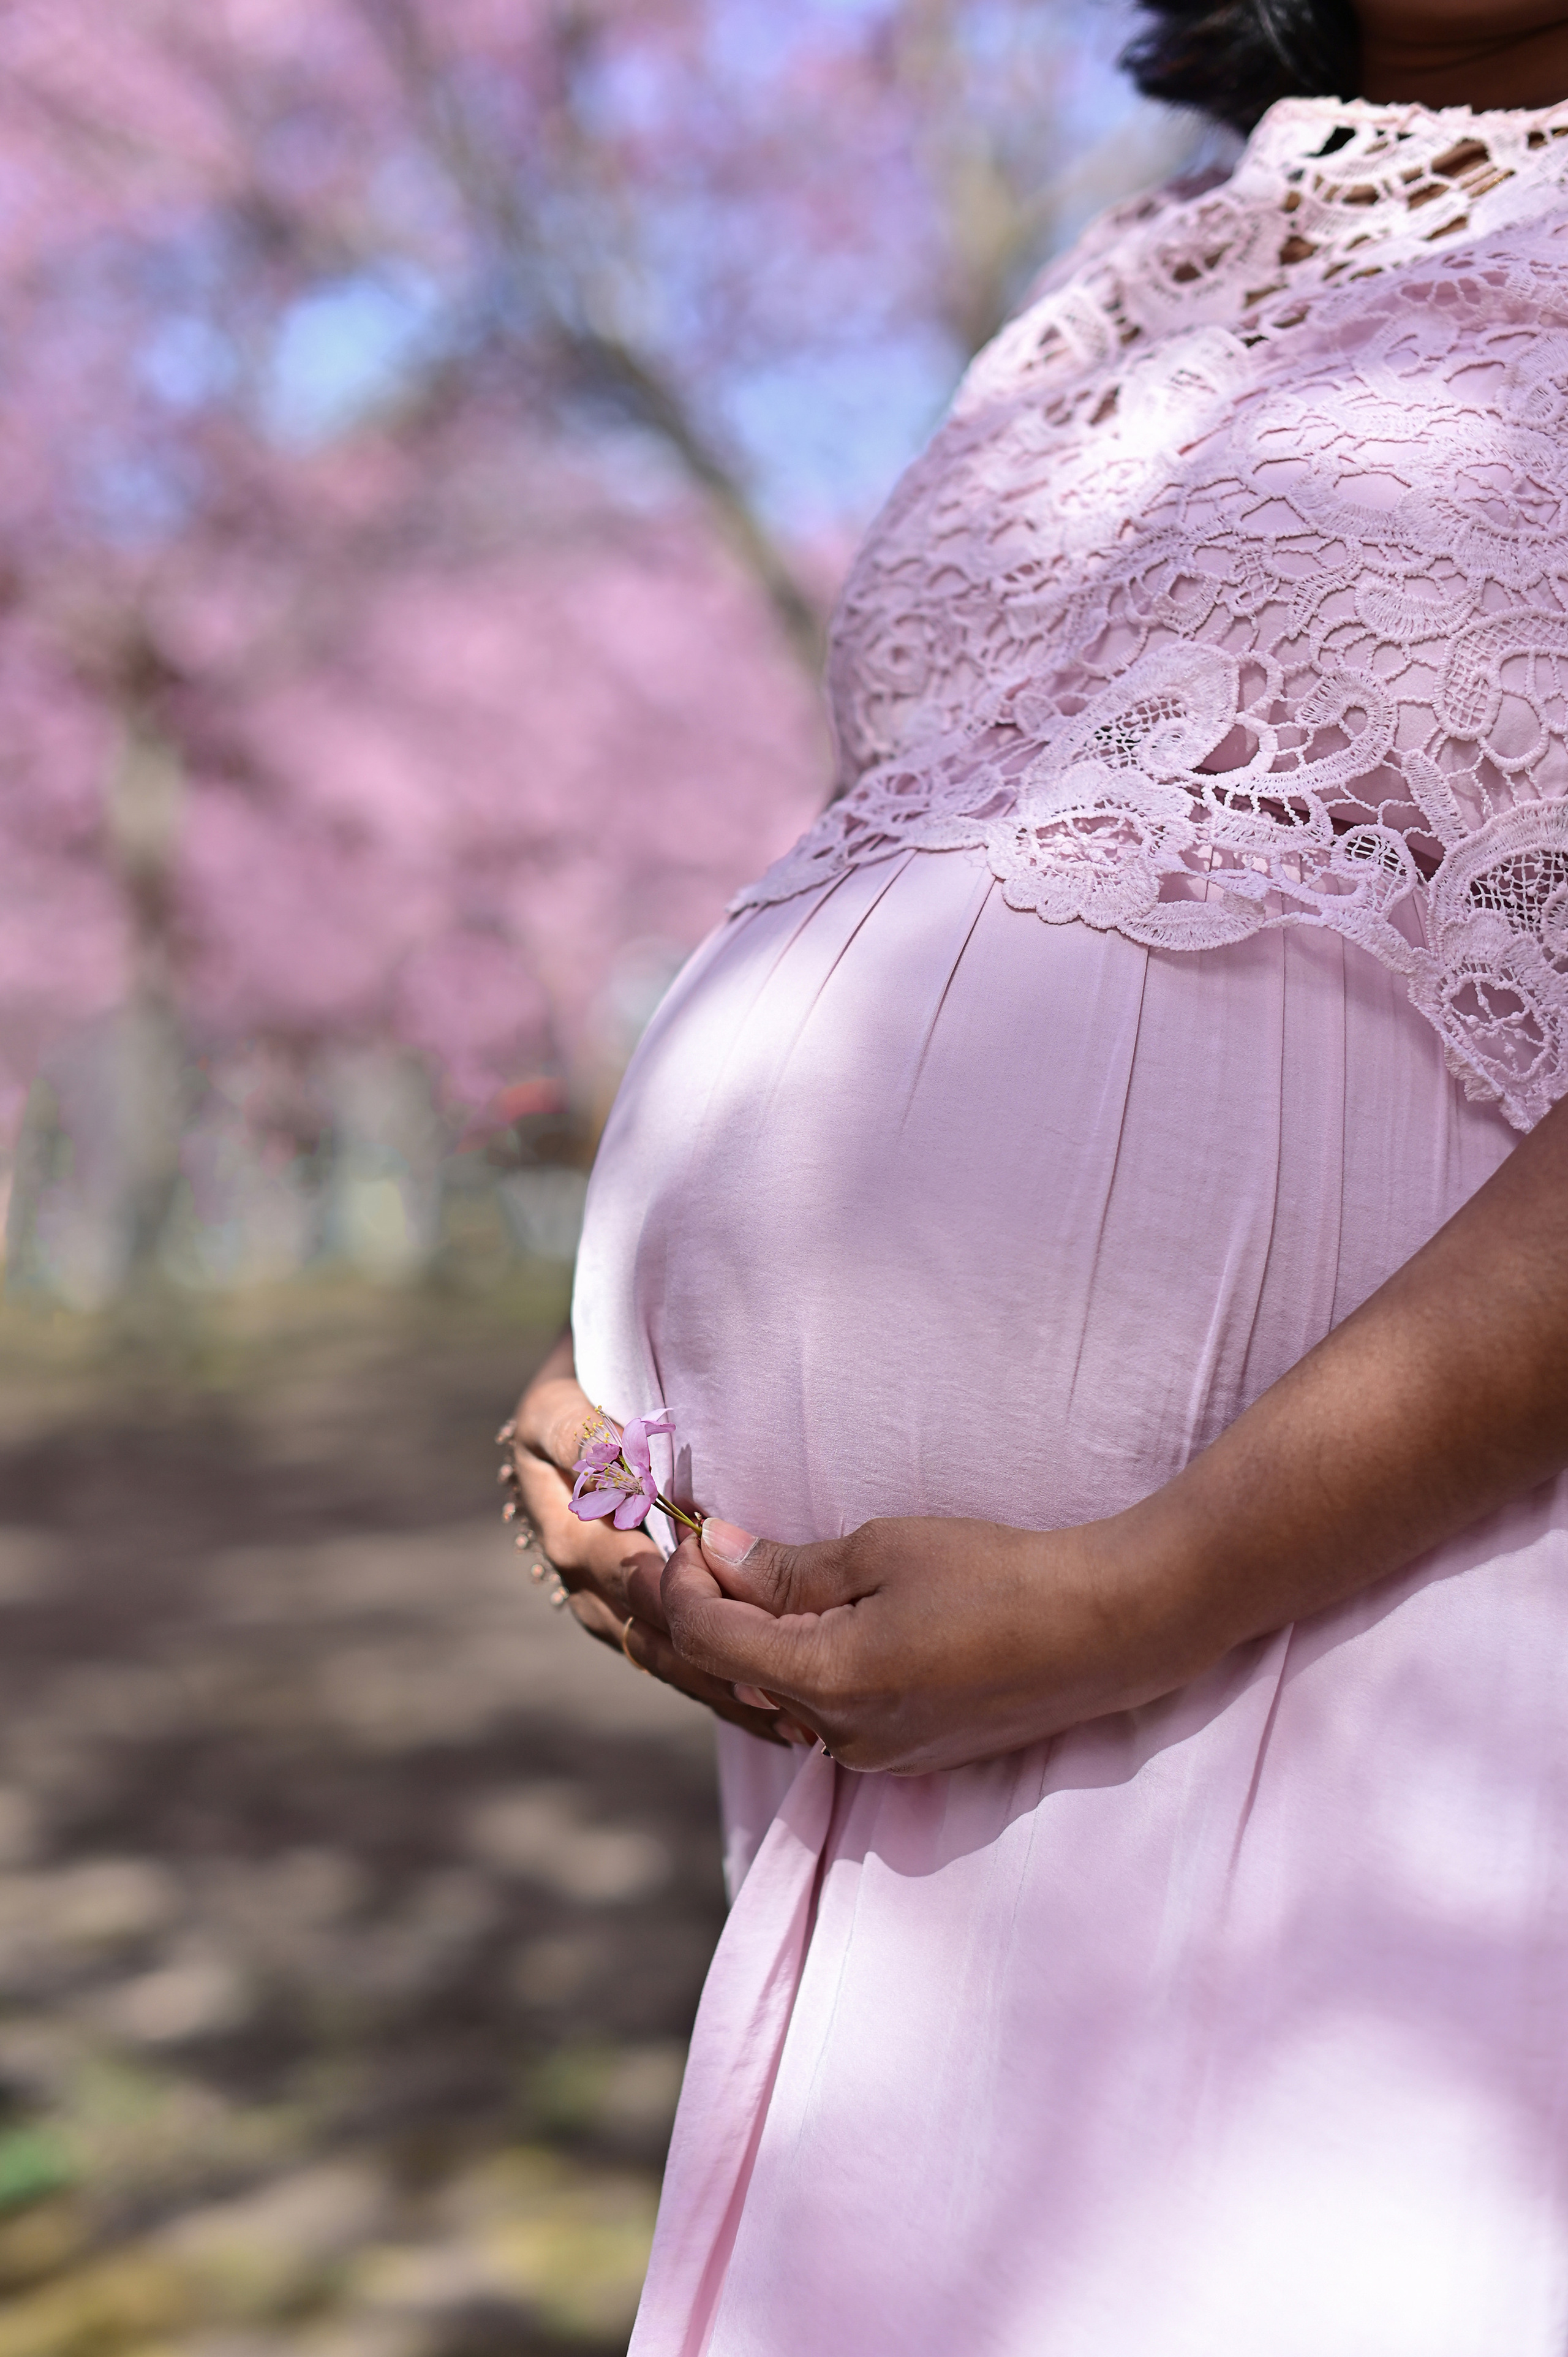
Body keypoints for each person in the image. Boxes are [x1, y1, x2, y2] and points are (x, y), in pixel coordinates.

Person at [507, 0, 1568, 2345]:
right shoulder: (1129, 266)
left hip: (1414, 1686)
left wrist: (1158, 1578)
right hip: (902, 1823)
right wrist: (619, 1366)